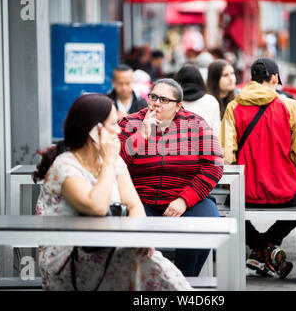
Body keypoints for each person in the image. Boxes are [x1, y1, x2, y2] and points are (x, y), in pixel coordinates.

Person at [33, 93, 192, 291]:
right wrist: (108, 161)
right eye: (113, 124)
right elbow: (97, 207)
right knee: (144, 264)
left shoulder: (114, 161)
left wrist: (141, 239)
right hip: (69, 260)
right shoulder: (65, 166)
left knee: (147, 257)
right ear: (94, 130)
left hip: (110, 248)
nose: (118, 130)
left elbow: (134, 205)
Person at [118, 78, 223, 277]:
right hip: (140, 199)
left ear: (178, 106)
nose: (156, 103)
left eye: (164, 100)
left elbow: (214, 165)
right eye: (153, 97)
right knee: (127, 232)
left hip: (187, 197)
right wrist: (142, 135)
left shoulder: (196, 125)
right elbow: (115, 163)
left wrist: (184, 200)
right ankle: (144, 282)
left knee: (207, 224)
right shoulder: (129, 123)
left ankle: (184, 280)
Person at [220, 57, 296, 279]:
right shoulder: (290, 106)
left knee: (229, 207)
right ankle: (269, 247)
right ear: (273, 78)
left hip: (245, 193)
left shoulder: (233, 107)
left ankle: (261, 250)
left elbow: (227, 158)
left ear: (252, 79)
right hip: (284, 191)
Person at [174, 64, 221, 137]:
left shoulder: (172, 101)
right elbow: (216, 133)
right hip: (205, 145)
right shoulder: (211, 101)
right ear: (200, 80)